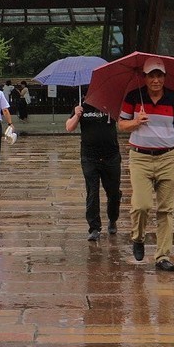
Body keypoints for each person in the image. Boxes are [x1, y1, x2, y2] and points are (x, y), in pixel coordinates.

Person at [116, 58, 174, 272]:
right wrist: (136, 122)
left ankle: (162, 256)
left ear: (164, 77)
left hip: (167, 158)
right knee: (141, 205)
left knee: (166, 209)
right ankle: (138, 237)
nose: (156, 80)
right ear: (145, 77)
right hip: (140, 157)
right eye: (152, 75)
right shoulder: (133, 97)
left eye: (159, 75)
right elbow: (121, 125)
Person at [65, 100, 121, 241]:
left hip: (111, 156)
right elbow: (69, 127)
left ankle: (113, 218)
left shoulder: (112, 104)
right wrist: (77, 115)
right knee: (92, 192)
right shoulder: (82, 106)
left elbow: (123, 124)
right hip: (89, 157)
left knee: (113, 192)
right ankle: (94, 227)